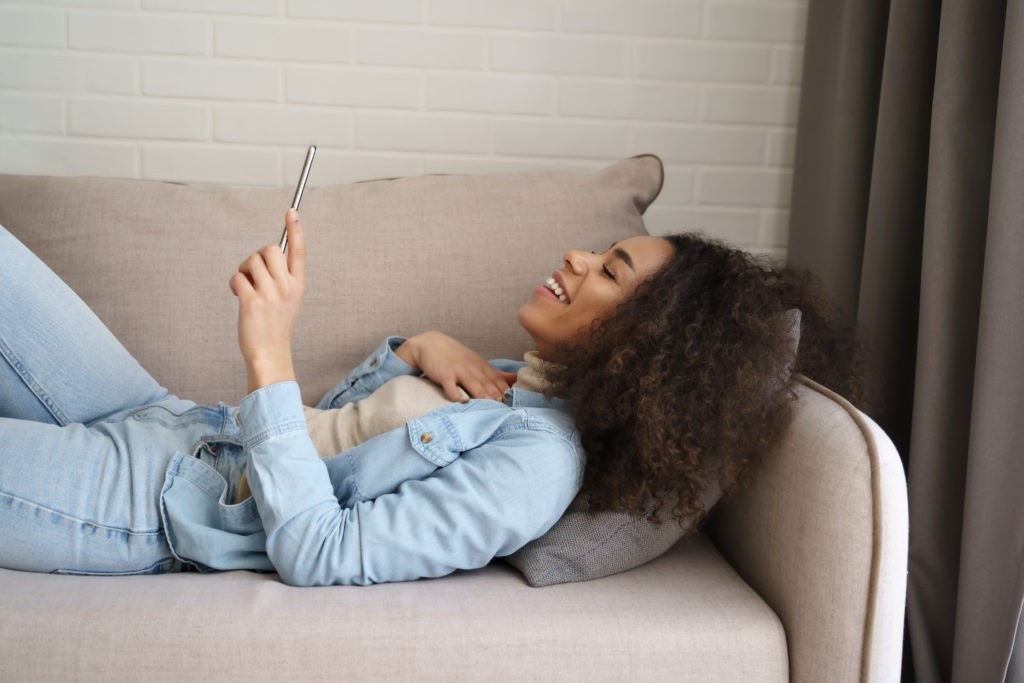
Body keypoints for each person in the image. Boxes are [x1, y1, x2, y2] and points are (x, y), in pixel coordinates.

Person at [0, 210, 864, 586]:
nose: (572, 258)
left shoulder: (538, 466)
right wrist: (411, 349)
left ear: (644, 343)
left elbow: (318, 547)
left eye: (608, 271)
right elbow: (334, 436)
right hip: (174, 421)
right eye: (600, 251)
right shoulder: (512, 383)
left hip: (148, 505)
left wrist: (269, 353)